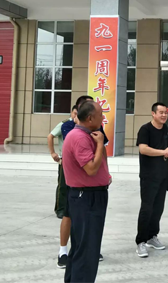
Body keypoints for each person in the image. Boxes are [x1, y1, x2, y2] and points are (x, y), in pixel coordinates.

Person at [62, 101, 111, 283]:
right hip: (87, 197)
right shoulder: (80, 138)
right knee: (87, 251)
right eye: (100, 114)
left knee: (81, 247)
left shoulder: (89, 134)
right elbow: (91, 169)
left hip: (90, 195)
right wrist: (99, 144)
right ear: (90, 118)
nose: (103, 117)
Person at [135, 102, 168, 259]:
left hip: (163, 175)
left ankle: (152, 236)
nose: (164, 115)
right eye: (161, 112)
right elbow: (143, 149)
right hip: (148, 176)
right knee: (147, 208)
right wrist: (163, 152)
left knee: (158, 208)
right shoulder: (145, 129)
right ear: (153, 113)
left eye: (166, 112)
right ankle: (141, 241)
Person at [47, 104, 77, 268]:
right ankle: (60, 208)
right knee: (63, 187)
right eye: (74, 113)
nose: (76, 116)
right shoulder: (65, 124)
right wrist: (53, 153)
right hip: (64, 161)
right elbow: (50, 136)